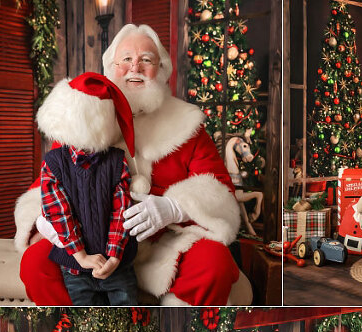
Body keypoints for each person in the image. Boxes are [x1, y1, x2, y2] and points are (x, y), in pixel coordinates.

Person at [15, 23, 247, 306]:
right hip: (92, 245)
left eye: (146, 60)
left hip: (165, 247)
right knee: (35, 263)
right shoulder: (82, 114)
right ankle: (86, 330)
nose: (134, 67)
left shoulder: (188, 124)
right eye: (125, 59)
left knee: (215, 263)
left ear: (161, 71)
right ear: (110, 68)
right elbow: (47, 184)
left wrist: (174, 208)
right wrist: (52, 226)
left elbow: (220, 191)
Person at [36, 72, 139, 305]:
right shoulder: (54, 163)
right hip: (75, 269)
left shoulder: (115, 160)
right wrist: (81, 256)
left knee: (127, 309)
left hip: (117, 266)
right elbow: (59, 212)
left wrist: (113, 256)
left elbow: (121, 210)